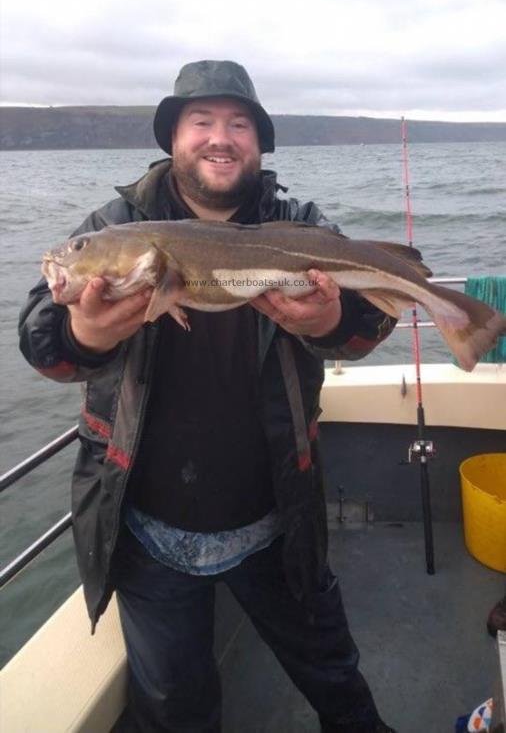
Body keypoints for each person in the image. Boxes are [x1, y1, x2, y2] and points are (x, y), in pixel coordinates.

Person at [19, 60, 398, 733]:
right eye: (202, 122)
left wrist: (332, 323)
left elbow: (373, 319)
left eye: (239, 124)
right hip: (146, 534)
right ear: (173, 138)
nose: (220, 138)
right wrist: (85, 332)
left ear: (258, 142)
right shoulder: (117, 227)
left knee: (338, 680)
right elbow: (40, 340)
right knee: (176, 713)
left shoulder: (299, 224)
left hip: (278, 520)